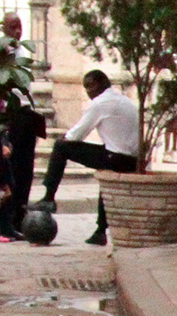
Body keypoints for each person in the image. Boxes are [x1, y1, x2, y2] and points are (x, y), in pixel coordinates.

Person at [40, 69, 138, 246]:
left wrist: (65, 139)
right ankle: (100, 231)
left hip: (116, 157)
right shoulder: (123, 100)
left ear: (102, 84)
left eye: (90, 86)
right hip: (132, 159)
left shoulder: (100, 103)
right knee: (105, 173)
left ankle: (48, 196)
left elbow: (76, 135)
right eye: (85, 87)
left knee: (61, 147)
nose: (88, 91)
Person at [0, 12, 45, 242]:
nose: (18, 31)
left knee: (26, 168)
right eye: (12, 26)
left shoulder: (22, 52)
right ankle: (7, 220)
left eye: (20, 26)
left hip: (26, 115)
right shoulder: (3, 51)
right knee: (11, 169)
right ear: (4, 28)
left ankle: (19, 216)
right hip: (10, 115)